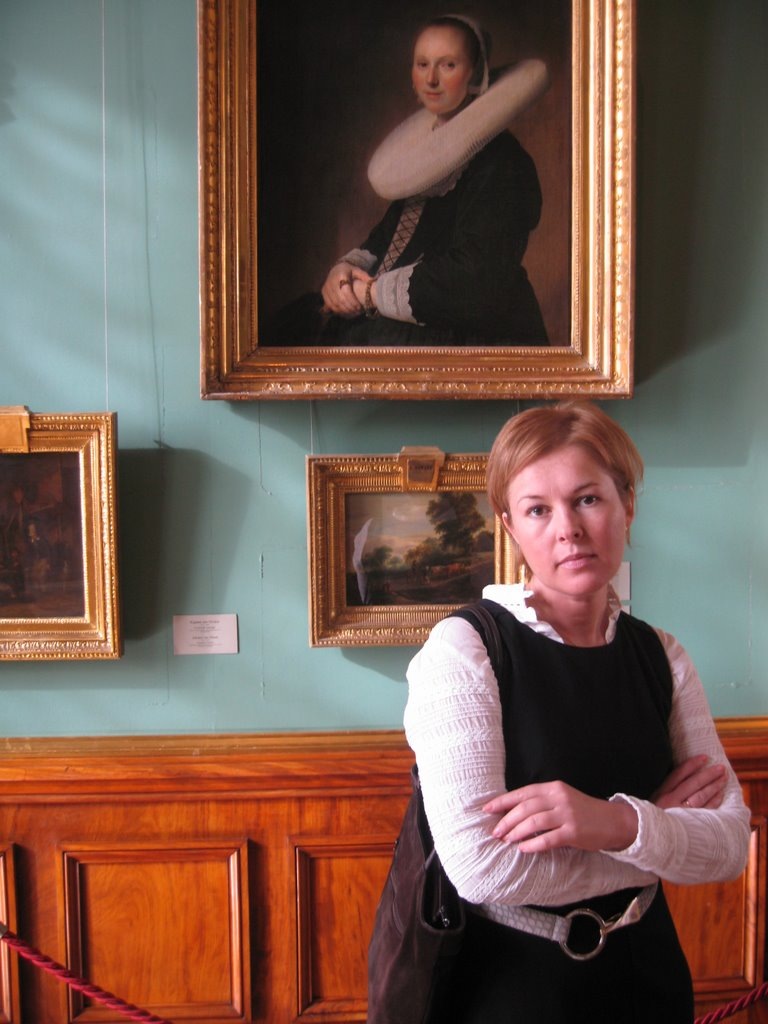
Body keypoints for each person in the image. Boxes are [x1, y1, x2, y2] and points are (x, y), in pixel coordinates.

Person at [404, 401, 751, 1023]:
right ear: (511, 528)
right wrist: (654, 833)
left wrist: (611, 823)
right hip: (511, 989)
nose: (568, 529)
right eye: (538, 510)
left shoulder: (661, 654)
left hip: (649, 975)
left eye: (588, 499)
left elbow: (728, 846)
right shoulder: (465, 649)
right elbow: (482, 869)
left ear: (628, 505)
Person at [268, 15, 550, 347]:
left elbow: (477, 277)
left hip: (469, 329)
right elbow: (387, 240)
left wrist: (372, 293)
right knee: (295, 322)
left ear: (475, 73)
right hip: (404, 314)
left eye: (448, 65)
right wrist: (342, 273)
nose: (432, 79)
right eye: (422, 64)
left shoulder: (502, 162)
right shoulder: (423, 156)